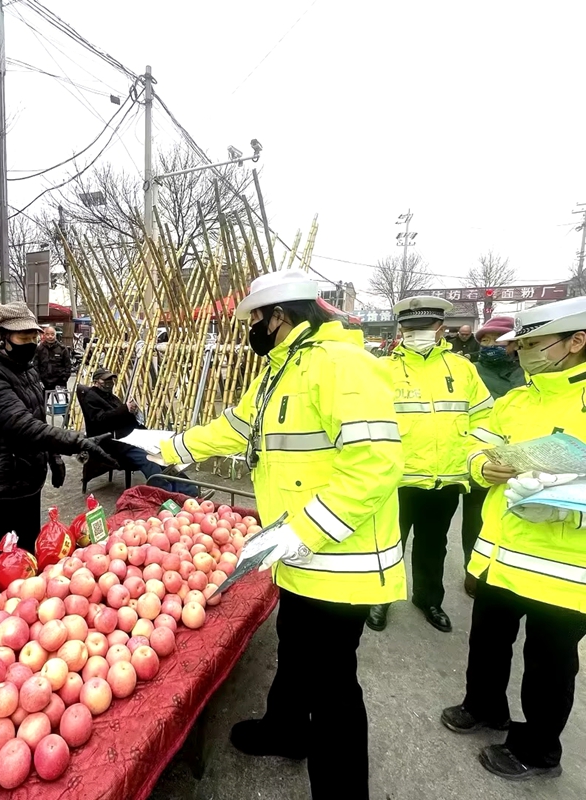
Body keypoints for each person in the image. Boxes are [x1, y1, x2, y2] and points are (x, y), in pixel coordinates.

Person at [156, 269, 406, 800]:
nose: (253, 330)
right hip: (298, 553)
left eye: (257, 320)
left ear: (281, 316)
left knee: (332, 685)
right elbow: (238, 427)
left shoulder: (344, 365)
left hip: (343, 562)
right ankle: (286, 730)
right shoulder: (282, 370)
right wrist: (167, 446)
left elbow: (375, 465)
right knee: (295, 648)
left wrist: (302, 530)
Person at [442, 296, 586, 781]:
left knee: (548, 662)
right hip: (502, 552)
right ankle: (484, 706)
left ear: (576, 341)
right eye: (519, 344)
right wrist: (483, 465)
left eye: (531, 343)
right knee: (488, 639)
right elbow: (475, 440)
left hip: (564, 563)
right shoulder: (518, 399)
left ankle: (539, 750)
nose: (521, 352)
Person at [366, 297, 493, 634]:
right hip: (396, 479)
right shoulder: (381, 370)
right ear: (400, 329)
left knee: (434, 544)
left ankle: (428, 597)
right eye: (409, 328)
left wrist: (474, 455)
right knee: (388, 542)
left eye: (422, 328)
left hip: (446, 478)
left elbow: (485, 418)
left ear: (440, 329)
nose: (415, 333)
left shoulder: (463, 369)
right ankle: (381, 597)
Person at [0, 302, 115, 571]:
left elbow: (38, 418)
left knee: (27, 556)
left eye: (34, 337)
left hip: (27, 481)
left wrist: (52, 456)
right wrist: (77, 441)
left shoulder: (27, 369)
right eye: (23, 338)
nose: (31, 343)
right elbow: (21, 425)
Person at [460, 316, 526, 596]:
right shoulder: (471, 371)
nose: (490, 346)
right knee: (475, 519)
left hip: (526, 463)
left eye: (497, 340)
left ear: (513, 344)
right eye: (484, 341)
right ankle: (473, 570)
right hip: (484, 458)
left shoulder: (529, 372)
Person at [79, 368, 198, 496]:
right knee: (149, 460)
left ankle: (191, 490)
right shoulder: (91, 398)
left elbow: (120, 416)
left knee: (164, 454)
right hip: (112, 442)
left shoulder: (110, 396)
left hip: (129, 436)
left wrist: (132, 412)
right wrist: (125, 409)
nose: (109, 383)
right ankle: (167, 493)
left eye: (111, 379)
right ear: (96, 381)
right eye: (105, 380)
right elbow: (101, 421)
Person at [34, 326, 72, 390]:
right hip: (44, 382)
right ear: (44, 335)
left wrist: (64, 379)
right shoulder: (39, 349)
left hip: (59, 382)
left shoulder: (62, 348)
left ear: (55, 335)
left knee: (62, 400)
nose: (50, 336)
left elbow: (68, 365)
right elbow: (35, 365)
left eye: (52, 334)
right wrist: (38, 380)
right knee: (41, 399)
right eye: (47, 334)